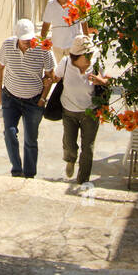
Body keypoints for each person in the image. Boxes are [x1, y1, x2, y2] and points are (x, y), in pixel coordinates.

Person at [0, 19, 54, 178]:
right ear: (17, 37)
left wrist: (43, 98)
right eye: (24, 40)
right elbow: (0, 67)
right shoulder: (7, 45)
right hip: (10, 97)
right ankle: (16, 169)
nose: (28, 42)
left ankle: (29, 174)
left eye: (30, 39)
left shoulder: (43, 48)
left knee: (30, 139)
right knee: (9, 132)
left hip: (33, 101)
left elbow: (50, 75)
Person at [49, 33, 111, 185]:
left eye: (90, 53)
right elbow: (55, 78)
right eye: (87, 55)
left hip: (90, 112)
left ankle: (83, 179)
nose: (90, 57)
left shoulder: (96, 63)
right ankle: (70, 160)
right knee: (69, 143)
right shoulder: (65, 63)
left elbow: (109, 79)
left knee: (87, 148)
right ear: (76, 56)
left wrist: (101, 81)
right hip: (69, 111)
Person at [41, 0, 96, 64]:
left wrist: (87, 41)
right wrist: (42, 42)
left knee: (73, 70)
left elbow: (84, 22)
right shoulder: (51, 4)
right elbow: (46, 23)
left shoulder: (77, 2)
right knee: (60, 71)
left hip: (74, 44)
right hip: (57, 45)